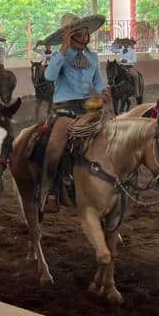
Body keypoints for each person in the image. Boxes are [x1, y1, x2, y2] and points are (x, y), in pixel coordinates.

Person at [40, 13, 111, 213]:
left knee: (113, 134)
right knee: (55, 146)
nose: (82, 36)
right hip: (64, 108)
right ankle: (50, 192)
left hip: (88, 106)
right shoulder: (60, 55)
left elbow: (96, 82)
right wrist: (63, 49)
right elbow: (49, 76)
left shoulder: (93, 57)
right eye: (76, 32)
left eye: (84, 32)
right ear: (69, 36)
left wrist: (103, 91)